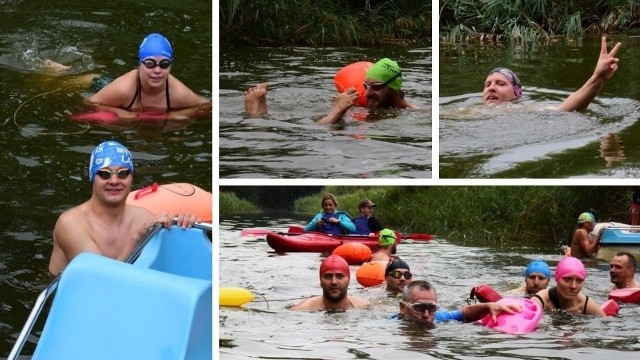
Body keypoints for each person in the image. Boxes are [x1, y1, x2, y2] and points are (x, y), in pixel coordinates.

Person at [48, 141, 199, 276]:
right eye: (105, 174)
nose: (114, 181)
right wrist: (135, 240)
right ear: (92, 177)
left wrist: (185, 229)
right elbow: (100, 282)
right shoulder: (72, 224)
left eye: (123, 174)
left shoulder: (144, 218)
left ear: (131, 178)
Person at [244, 58, 418, 123]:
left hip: (359, 127)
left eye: (376, 87)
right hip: (357, 117)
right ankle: (259, 117)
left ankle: (257, 117)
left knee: (314, 126)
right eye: (366, 86)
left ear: (394, 88)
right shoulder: (367, 105)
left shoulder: (411, 113)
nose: (368, 92)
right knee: (298, 117)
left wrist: (339, 110)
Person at [483, 36, 621, 112]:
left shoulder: (523, 111)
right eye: (487, 84)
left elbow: (563, 109)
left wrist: (598, 78)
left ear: (517, 93)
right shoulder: (466, 111)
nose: (491, 88)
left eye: (500, 83)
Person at [89, 33, 210, 120]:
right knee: (86, 81)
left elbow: (207, 106)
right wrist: (121, 113)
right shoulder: (122, 89)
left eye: (164, 64)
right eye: (150, 64)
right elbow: (90, 103)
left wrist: (175, 115)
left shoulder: (178, 93)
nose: (157, 70)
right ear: (140, 64)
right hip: (104, 84)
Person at [391, 280, 519, 327]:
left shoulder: (438, 318)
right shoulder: (391, 325)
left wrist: (488, 306)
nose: (426, 314)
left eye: (432, 308)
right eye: (419, 307)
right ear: (402, 307)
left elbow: (463, 313)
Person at [530, 256, 605, 316]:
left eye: (579, 281)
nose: (573, 286)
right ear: (556, 278)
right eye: (567, 279)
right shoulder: (541, 300)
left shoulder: (585, 305)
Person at [289, 255, 368, 311]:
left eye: (339, 276)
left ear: (349, 280)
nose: (334, 282)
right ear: (320, 281)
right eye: (328, 276)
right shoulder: (302, 310)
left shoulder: (364, 307)